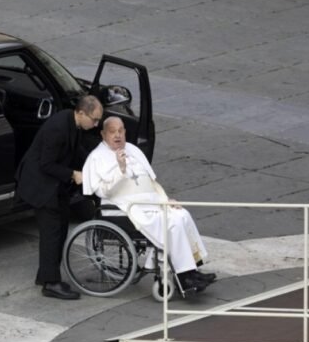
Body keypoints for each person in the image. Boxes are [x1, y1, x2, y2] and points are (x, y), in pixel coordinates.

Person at [82, 117, 215, 292]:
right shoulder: (97, 157)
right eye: (112, 131)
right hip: (125, 209)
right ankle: (184, 278)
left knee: (182, 215)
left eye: (121, 130)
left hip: (150, 204)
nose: (118, 135)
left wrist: (165, 200)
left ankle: (192, 270)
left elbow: (151, 183)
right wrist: (120, 169)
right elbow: (103, 192)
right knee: (172, 223)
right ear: (103, 134)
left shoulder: (133, 150)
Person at [16, 95, 103, 300]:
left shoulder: (72, 123)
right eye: (94, 119)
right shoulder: (58, 128)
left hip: (54, 186)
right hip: (42, 186)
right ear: (81, 113)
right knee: (52, 233)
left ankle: (46, 274)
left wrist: (92, 165)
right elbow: (46, 164)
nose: (96, 124)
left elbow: (76, 151)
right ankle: (51, 283)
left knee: (60, 228)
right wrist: (73, 174)